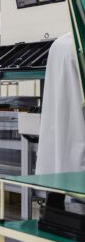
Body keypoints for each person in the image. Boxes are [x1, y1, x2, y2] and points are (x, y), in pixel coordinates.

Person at [36, 33, 85, 175]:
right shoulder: (77, 45)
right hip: (77, 126)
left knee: (59, 166)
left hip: (59, 125)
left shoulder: (58, 43)